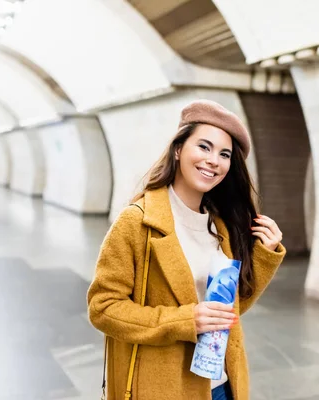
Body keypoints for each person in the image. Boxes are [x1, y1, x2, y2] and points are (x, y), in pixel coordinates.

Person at [87, 100, 286, 400]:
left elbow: (228, 310)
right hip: (165, 387)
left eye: (224, 154)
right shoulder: (139, 221)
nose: (213, 161)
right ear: (178, 149)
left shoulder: (221, 225)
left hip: (222, 385)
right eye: (204, 147)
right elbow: (102, 307)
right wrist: (185, 321)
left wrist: (263, 255)